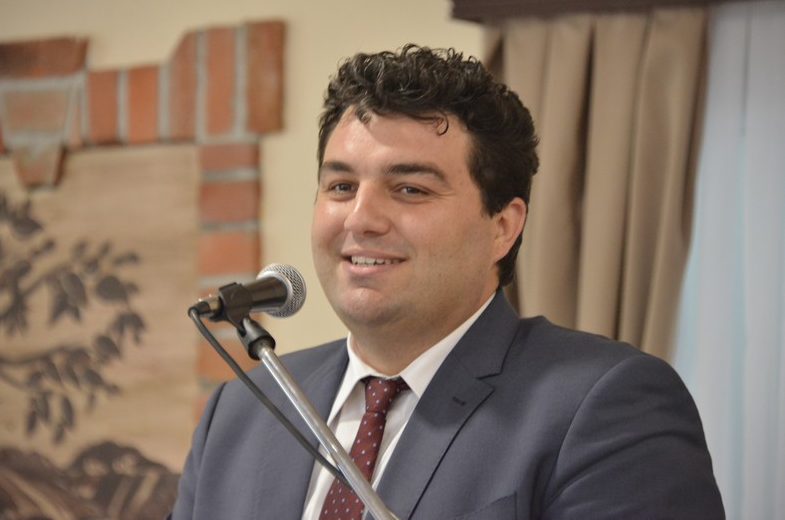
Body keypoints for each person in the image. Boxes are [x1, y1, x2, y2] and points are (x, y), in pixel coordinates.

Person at [169, 44, 724, 519]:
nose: (361, 219)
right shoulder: (243, 409)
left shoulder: (604, 403)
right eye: (341, 187)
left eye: (410, 189)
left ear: (502, 227)